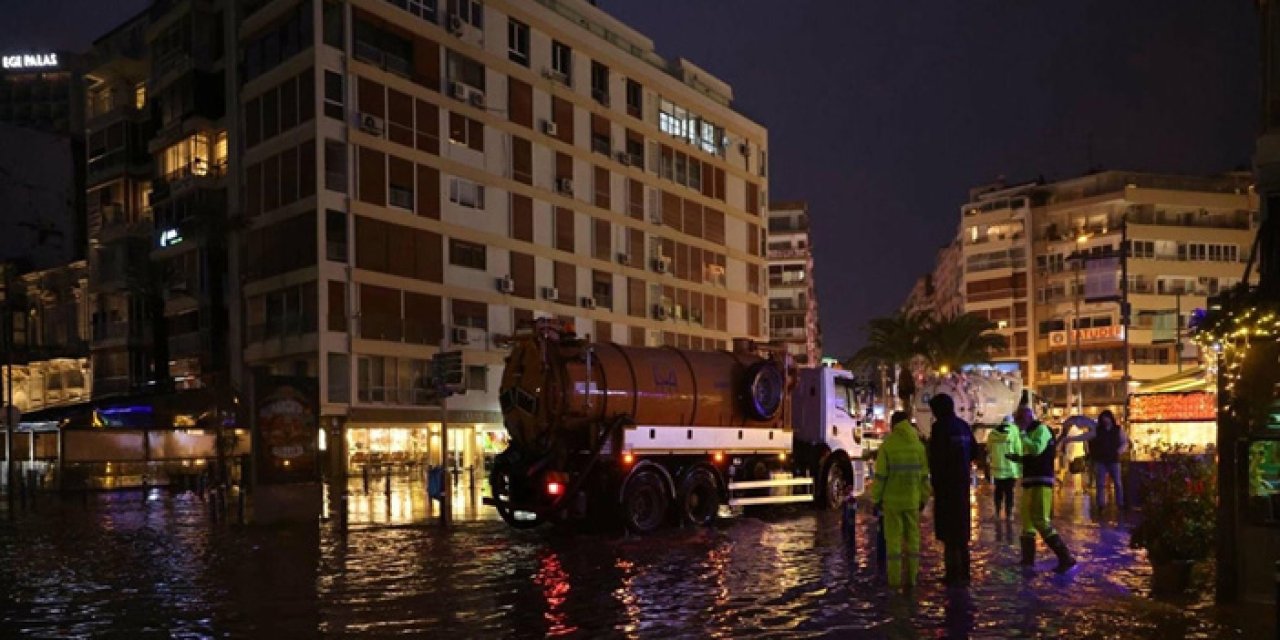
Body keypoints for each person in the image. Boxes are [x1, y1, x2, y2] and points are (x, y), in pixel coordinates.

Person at [1006, 399, 1076, 573]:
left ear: (1027, 418)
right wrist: (1019, 459)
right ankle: (1027, 560)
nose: (1018, 424)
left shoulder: (1041, 430)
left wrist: (1022, 436)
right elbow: (1034, 455)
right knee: (1027, 522)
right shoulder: (1032, 431)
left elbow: (1037, 449)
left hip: (1042, 481)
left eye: (1019, 420)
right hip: (1030, 481)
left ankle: (1066, 557)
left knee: (1041, 520)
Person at [872, 410, 931, 592]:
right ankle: (912, 580)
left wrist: (876, 499)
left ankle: (895, 582)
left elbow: (880, 476)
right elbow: (924, 477)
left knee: (894, 543)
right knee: (913, 540)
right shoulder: (918, 446)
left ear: (893, 424)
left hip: (892, 503)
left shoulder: (887, 445)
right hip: (912, 501)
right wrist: (923, 498)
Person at [926, 393, 975, 587]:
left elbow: (936, 459)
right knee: (961, 533)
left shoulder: (940, 428)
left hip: (946, 487)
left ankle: (953, 575)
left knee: (949, 534)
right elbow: (974, 452)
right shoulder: (963, 426)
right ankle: (965, 573)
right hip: (962, 485)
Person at [1061, 410, 1129, 514]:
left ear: (1111, 418)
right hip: (1101, 460)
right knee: (1100, 484)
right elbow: (1084, 437)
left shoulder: (1118, 430)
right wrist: (1070, 439)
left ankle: (1120, 504)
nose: (1105, 420)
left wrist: (1119, 451)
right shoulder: (1098, 430)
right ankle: (1101, 505)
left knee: (1117, 483)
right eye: (1103, 418)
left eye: (1107, 417)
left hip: (1113, 460)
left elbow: (1124, 442)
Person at [986, 414, 1022, 520]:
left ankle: (997, 513)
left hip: (997, 468)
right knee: (1009, 492)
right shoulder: (1014, 430)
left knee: (998, 491)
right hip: (1010, 468)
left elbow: (988, 449)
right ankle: (1009, 514)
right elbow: (1018, 448)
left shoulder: (993, 433)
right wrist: (1020, 464)